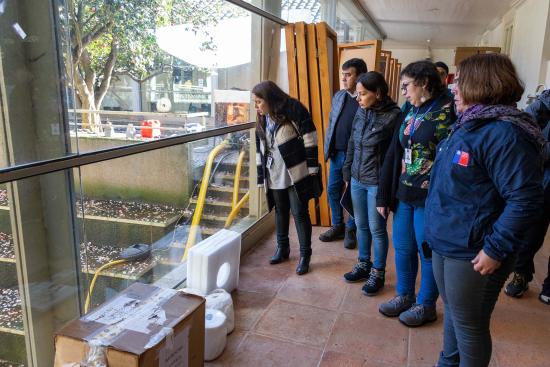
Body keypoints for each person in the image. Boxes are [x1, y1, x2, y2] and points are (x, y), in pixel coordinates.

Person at [425, 53, 544, 366]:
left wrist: (496, 248)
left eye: (460, 81)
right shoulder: (472, 122)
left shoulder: (505, 133)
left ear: (482, 84)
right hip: (448, 240)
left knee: (469, 325)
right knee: (453, 311)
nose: (453, 88)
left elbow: (525, 199)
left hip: (474, 250)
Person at [376, 60, 455, 326]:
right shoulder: (411, 108)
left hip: (430, 198)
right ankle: (404, 296)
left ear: (424, 83)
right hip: (404, 192)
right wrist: (385, 196)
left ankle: (426, 305)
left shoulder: (449, 110)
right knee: (402, 247)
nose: (403, 92)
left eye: (407, 86)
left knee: (427, 253)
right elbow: (395, 152)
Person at [341, 71, 402, 295]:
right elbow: (351, 143)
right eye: (357, 94)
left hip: (376, 182)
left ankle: (378, 272)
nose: (358, 98)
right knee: (360, 224)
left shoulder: (394, 116)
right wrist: (347, 172)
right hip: (357, 178)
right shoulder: (361, 110)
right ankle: (363, 263)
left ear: (378, 93)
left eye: (363, 94)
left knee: (377, 228)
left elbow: (393, 156)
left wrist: (386, 189)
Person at [252, 81, 320, 275]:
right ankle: (283, 248)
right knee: (280, 210)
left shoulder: (294, 108)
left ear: (270, 98)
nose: (256, 107)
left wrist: (312, 169)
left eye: (258, 102)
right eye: (255, 102)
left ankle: (305, 255)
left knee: (299, 212)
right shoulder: (262, 117)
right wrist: (260, 176)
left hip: (295, 171)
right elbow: (260, 149)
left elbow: (310, 138)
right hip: (273, 171)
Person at [504, 88, 550, 304]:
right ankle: (521, 275)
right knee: (530, 234)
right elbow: (525, 135)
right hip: (541, 180)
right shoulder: (543, 103)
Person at [320, 58, 368, 249]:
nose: (344, 78)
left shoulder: (364, 98)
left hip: (355, 157)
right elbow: (332, 123)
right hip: (336, 154)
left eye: (348, 75)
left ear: (359, 77)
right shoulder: (339, 96)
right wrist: (328, 148)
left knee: (352, 195)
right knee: (333, 190)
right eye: (343, 75)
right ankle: (338, 225)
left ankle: (351, 228)